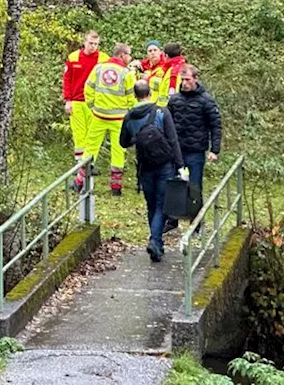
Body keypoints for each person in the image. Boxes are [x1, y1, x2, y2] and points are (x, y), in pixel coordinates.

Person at [121, 81, 183, 262]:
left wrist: (137, 137)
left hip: (144, 167)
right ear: (150, 93)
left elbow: (123, 142)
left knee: (151, 204)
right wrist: (180, 165)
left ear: (135, 95)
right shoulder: (161, 112)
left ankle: (157, 243)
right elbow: (173, 140)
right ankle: (155, 241)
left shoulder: (129, 117)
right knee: (162, 205)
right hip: (165, 165)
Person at [78, 43, 136, 195]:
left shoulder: (99, 68)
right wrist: (131, 113)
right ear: (122, 55)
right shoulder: (127, 73)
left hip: (98, 115)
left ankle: (79, 182)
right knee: (118, 150)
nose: (130, 58)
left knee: (91, 147)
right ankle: (116, 188)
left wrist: (92, 105)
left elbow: (88, 87)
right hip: (119, 118)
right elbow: (131, 96)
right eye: (129, 55)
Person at [167, 64, 222, 200]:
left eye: (188, 80)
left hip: (195, 151)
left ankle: (196, 219)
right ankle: (171, 219)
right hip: (176, 150)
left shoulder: (206, 101)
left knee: (195, 187)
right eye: (182, 79)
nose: (184, 83)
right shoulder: (174, 100)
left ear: (195, 79)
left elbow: (215, 125)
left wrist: (215, 150)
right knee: (173, 185)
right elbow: (167, 124)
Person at [63, 31, 109, 170]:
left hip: (95, 102)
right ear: (84, 42)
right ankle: (79, 163)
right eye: (90, 43)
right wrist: (68, 100)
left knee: (93, 134)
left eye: (95, 44)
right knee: (79, 133)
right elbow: (67, 80)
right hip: (76, 101)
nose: (93, 46)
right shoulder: (73, 57)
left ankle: (90, 162)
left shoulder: (103, 59)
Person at [156, 42, 186, 108]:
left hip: (167, 110)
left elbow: (172, 93)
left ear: (166, 56)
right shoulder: (184, 67)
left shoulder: (173, 72)